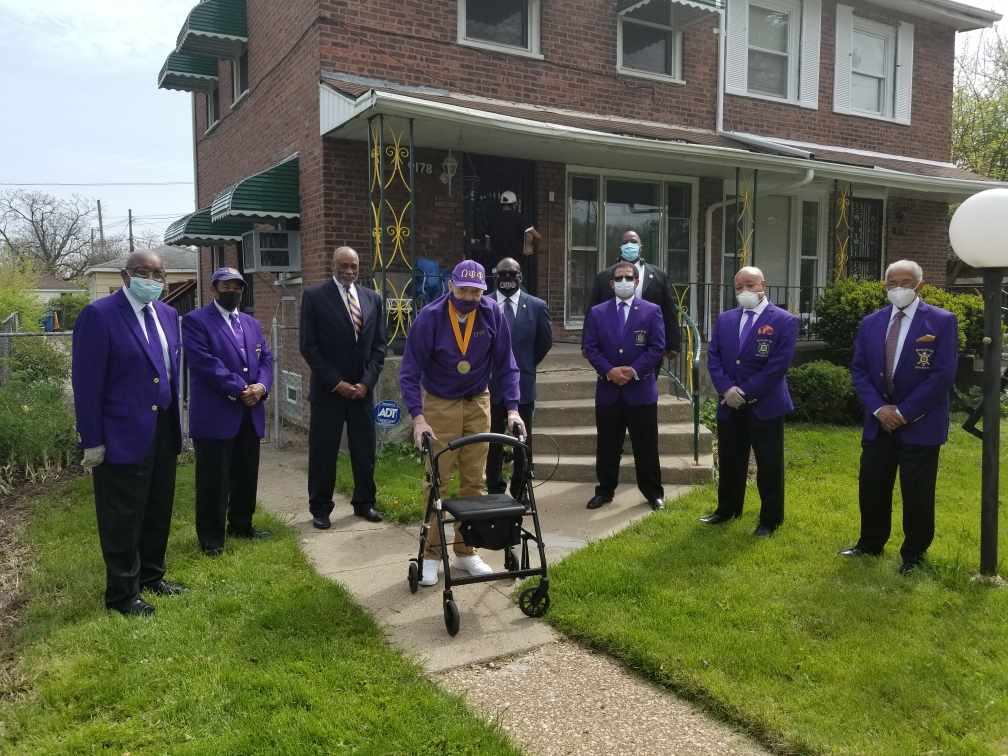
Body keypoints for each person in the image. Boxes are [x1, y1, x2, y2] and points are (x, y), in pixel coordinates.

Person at [71, 250, 185, 616]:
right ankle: (122, 594)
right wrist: (93, 441)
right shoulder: (99, 316)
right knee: (122, 516)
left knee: (157, 508)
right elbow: (87, 384)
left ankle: (153, 576)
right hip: (121, 434)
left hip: (163, 429)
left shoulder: (168, 314)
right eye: (143, 272)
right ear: (125, 276)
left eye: (158, 273)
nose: (151, 279)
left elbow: (167, 373)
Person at [400, 260, 525, 587]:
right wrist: (418, 417)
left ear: (484, 290)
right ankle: (431, 555)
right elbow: (410, 371)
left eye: (476, 291)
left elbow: (507, 365)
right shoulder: (430, 317)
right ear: (451, 286)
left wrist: (512, 409)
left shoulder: (492, 313)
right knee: (437, 481)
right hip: (440, 403)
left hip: (477, 401)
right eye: (463, 290)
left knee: (475, 481)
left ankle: (466, 550)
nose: (469, 297)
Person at [841, 260, 958, 574]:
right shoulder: (871, 323)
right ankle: (870, 543)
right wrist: (880, 409)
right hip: (879, 423)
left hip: (920, 424)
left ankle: (914, 555)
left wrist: (904, 412)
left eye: (905, 282)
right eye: (892, 282)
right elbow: (860, 370)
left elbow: (942, 375)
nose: (898, 288)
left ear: (919, 286)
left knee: (917, 492)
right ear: (884, 285)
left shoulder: (942, 322)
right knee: (873, 485)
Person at [182, 268, 273, 557]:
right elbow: (204, 363)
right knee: (214, 480)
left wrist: (260, 386)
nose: (232, 290)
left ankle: (241, 526)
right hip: (216, 414)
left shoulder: (250, 323)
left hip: (250, 413)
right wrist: (240, 389)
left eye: (237, 286)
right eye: (226, 285)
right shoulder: (196, 322)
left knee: (246, 475)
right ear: (214, 288)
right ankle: (211, 539)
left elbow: (266, 358)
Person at [702, 266, 798, 536]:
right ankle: (727, 509)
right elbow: (714, 357)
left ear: (763, 285)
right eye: (739, 287)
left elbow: (777, 367)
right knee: (731, 459)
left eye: (750, 285)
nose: (744, 291)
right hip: (729, 404)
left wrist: (743, 393)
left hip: (765, 405)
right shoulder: (725, 319)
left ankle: (770, 520)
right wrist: (726, 390)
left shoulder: (784, 320)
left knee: (769, 464)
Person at [300, 246, 387, 529]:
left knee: (365, 451)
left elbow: (379, 347)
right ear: (333, 265)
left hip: (362, 392)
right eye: (343, 266)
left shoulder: (373, 299)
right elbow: (309, 347)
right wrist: (336, 383)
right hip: (329, 392)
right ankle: (321, 509)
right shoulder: (314, 297)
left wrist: (366, 382)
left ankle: (365, 503)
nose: (349, 271)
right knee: (323, 452)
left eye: (354, 266)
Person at [582, 260, 666, 511]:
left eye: (628, 277)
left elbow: (657, 347)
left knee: (646, 446)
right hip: (608, 392)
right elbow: (590, 347)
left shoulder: (651, 311)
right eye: (618, 278)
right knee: (607, 445)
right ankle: (605, 491)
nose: (623, 282)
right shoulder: (597, 312)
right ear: (611, 283)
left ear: (637, 281)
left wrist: (633, 371)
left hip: (641, 392)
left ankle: (652, 492)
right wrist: (609, 371)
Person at [486, 257, 553, 499]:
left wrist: (524, 365)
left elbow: (544, 342)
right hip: (490, 385)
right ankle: (494, 487)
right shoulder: (484, 304)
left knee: (523, 440)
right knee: (492, 439)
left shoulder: (536, 306)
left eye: (511, 274)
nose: (506, 279)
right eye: (501, 274)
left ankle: (520, 487)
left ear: (520, 277)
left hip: (523, 384)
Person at [587, 229, 681, 355]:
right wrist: (586, 344)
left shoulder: (659, 276)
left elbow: (669, 311)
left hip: (648, 343)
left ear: (640, 247)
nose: (629, 245)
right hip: (612, 343)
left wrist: (673, 344)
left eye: (633, 241)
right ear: (621, 247)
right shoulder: (603, 277)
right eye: (625, 242)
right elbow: (592, 311)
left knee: (647, 373)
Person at [485, 190, 542, 294]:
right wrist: (529, 245)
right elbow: (536, 236)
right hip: (515, 264)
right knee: (518, 293)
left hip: (497, 265)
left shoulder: (492, 220)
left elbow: (487, 246)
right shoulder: (520, 218)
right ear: (514, 204)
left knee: (497, 294)